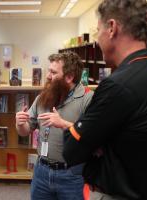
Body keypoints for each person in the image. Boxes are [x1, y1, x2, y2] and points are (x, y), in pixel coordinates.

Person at [57, 0, 147, 199]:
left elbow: (71, 149)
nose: (97, 40)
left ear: (111, 28)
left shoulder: (118, 85)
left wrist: (100, 140)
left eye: (97, 31)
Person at [16, 52, 93, 200]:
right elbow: (25, 131)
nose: (48, 76)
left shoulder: (87, 99)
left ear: (69, 77)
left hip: (72, 175)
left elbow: (93, 137)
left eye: (53, 72)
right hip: (42, 171)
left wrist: (64, 124)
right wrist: (20, 123)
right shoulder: (43, 97)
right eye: (48, 71)